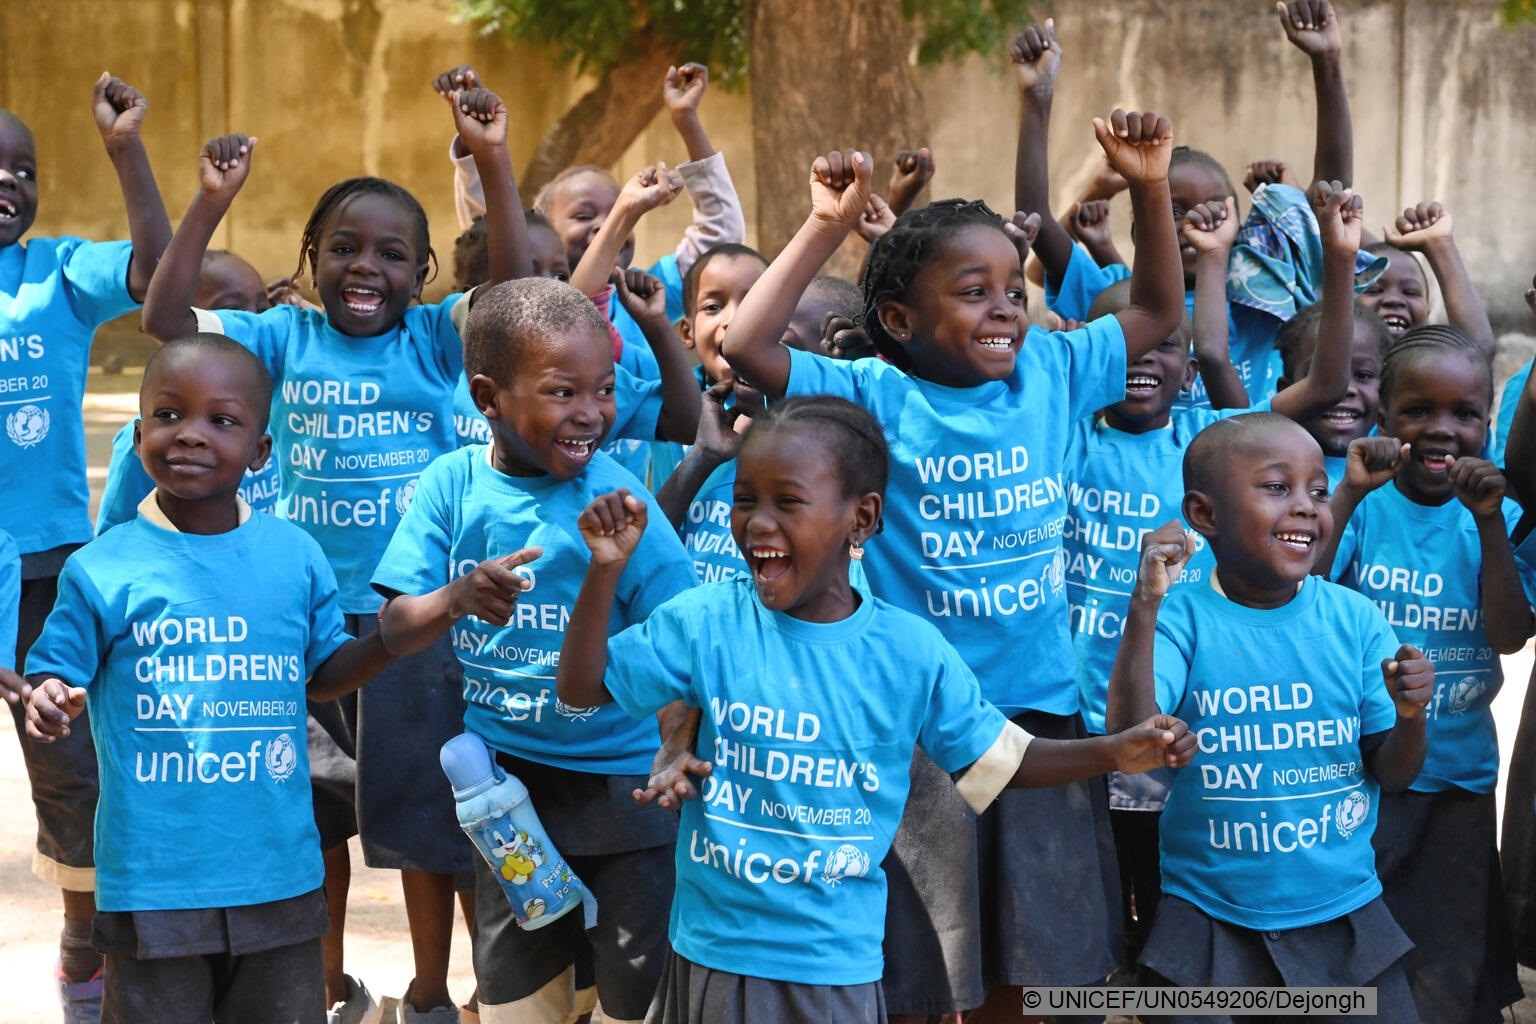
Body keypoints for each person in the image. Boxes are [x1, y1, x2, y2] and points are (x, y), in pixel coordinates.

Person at [720, 104, 1184, 1018]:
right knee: (926, 950)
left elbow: (1162, 310)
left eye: (1013, 287)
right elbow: (746, 345)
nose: (1006, 305)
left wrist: (1151, 183)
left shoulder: (1052, 370)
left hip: (1040, 710)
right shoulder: (868, 392)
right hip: (918, 722)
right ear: (898, 316)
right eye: (973, 291)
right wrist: (825, 223)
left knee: (1033, 945)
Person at [554, 396, 1194, 1024]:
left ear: (860, 520)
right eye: (745, 499)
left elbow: (998, 763)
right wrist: (604, 572)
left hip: (831, 965)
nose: (757, 522)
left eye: (789, 501)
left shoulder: (910, 652)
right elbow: (581, 691)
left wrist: (1111, 751)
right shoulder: (705, 621)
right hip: (712, 949)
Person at [141, 86, 527, 1024]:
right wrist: (211, 202)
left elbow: (517, 295)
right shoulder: (283, 337)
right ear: (309, 262)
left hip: (419, 618)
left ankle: (440, 989)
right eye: (344, 248)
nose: (366, 267)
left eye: (393, 253)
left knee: (441, 816)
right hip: (306, 617)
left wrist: (493, 162)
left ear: (424, 270)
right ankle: (322, 985)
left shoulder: (438, 340)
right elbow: (165, 320)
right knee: (313, 817)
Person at [21, 334, 394, 1023]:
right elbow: (54, 669)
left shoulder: (295, 555)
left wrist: (394, 639)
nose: (190, 434)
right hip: (153, 880)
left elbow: (325, 673)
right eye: (168, 415)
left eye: (221, 420)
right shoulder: (104, 567)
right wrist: (47, 695)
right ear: (137, 437)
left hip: (276, 870)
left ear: (260, 452)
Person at [371, 278, 698, 1024]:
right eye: (561, 391)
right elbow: (394, 628)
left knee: (634, 995)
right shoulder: (452, 487)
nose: (590, 412)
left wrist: (676, 744)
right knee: (520, 996)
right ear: (488, 396)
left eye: (605, 389)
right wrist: (453, 598)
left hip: (625, 794)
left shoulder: (619, 503)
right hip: (506, 796)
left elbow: (682, 642)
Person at [1065, 178, 1362, 974]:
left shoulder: (1211, 434)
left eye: (1163, 346)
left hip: (1192, 725)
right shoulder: (1066, 438)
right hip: (1085, 721)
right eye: (1120, 343)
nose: (1141, 359)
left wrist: (1336, 258)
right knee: (1106, 918)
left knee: (1176, 913)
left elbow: (1322, 384)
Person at [1105, 413, 1432, 1023]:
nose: (1308, 507)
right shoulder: (1182, 619)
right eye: (1277, 488)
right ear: (1204, 515)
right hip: (1208, 914)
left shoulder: (1355, 620)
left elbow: (1394, 774)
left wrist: (1412, 716)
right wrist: (1145, 607)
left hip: (1341, 912)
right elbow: (1132, 741)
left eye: (1316, 489)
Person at [0, 72, 172, 1019]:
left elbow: (152, 276)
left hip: (49, 574)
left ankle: (83, 946)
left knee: (74, 770)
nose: (7, 181)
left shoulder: (54, 274)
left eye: (21, 169)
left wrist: (125, 151)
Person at [1321, 326, 1530, 1023]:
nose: (1442, 430)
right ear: (1384, 415)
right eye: (1418, 411)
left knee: (1447, 962)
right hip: (1362, 770)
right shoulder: (1361, 502)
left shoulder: (1501, 516)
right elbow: (1303, 592)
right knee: (1361, 954)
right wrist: (1348, 493)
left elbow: (1510, 632)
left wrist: (1492, 523)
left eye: (1464, 414)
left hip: (1458, 778)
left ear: (1488, 423)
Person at [1019, 5, 1356, 409]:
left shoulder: (1262, 293)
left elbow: (1329, 203)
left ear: (1240, 223)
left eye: (1215, 209)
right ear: (1140, 228)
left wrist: (1327, 62)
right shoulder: (1114, 297)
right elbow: (1035, 215)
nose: (1196, 221)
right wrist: (1036, 99)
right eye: (1174, 212)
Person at [98, 250, 282, 533]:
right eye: (232, 311)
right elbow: (115, 540)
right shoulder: (149, 442)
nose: (252, 325)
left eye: (262, 310)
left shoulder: (270, 411)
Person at [1272, 299, 1392, 489]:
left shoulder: (1400, 470)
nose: (1342, 389)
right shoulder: (1272, 475)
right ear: (1285, 391)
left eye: (1362, 375)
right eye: (1322, 377)